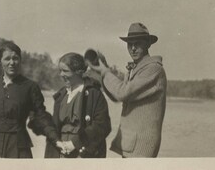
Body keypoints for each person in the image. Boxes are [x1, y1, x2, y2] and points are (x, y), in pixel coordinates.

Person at [87, 23, 167, 158]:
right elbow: (116, 97)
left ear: (148, 44)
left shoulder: (154, 69)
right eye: (130, 44)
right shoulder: (135, 69)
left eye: (138, 44)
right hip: (132, 144)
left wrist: (104, 71)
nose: (133, 48)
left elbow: (122, 93)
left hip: (142, 146)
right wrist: (102, 72)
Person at [0, 41, 59, 158]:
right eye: (7, 59)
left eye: (15, 58)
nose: (12, 63)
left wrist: (56, 139)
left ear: (20, 61)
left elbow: (41, 117)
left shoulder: (30, 87)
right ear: (0, 62)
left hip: (18, 147)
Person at [44, 52, 111, 158]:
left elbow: (103, 125)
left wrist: (75, 143)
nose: (61, 74)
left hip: (83, 152)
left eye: (65, 71)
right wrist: (58, 143)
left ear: (78, 72)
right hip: (61, 152)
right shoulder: (61, 95)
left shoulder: (94, 94)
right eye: (60, 71)